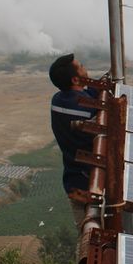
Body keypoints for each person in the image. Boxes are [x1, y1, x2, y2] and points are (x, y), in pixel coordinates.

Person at [48, 53, 97, 226]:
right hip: (91, 184)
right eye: (82, 66)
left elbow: (89, 92)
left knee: (84, 232)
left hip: (73, 183)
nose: (85, 68)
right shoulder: (86, 109)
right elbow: (92, 104)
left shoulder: (58, 100)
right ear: (75, 80)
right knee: (93, 237)